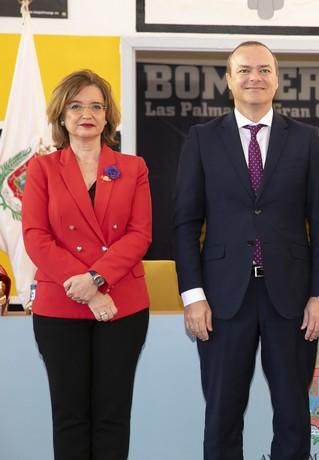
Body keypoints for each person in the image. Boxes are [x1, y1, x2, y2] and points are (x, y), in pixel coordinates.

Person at [174, 41, 319, 460]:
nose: (254, 78)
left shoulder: (305, 140)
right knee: (223, 413)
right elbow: (186, 224)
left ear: (277, 78)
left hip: (292, 300)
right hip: (223, 300)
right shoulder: (201, 139)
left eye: (264, 70)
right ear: (228, 80)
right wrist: (193, 296)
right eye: (244, 70)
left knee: (293, 416)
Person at [22, 69, 152, 460]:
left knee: (113, 416)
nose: (86, 114)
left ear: (108, 116)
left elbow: (139, 234)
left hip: (122, 306)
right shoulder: (42, 169)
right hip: (60, 306)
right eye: (76, 106)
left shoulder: (133, 167)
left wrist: (96, 279)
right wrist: (86, 289)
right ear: (61, 115)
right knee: (70, 416)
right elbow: (35, 237)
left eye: (97, 106)